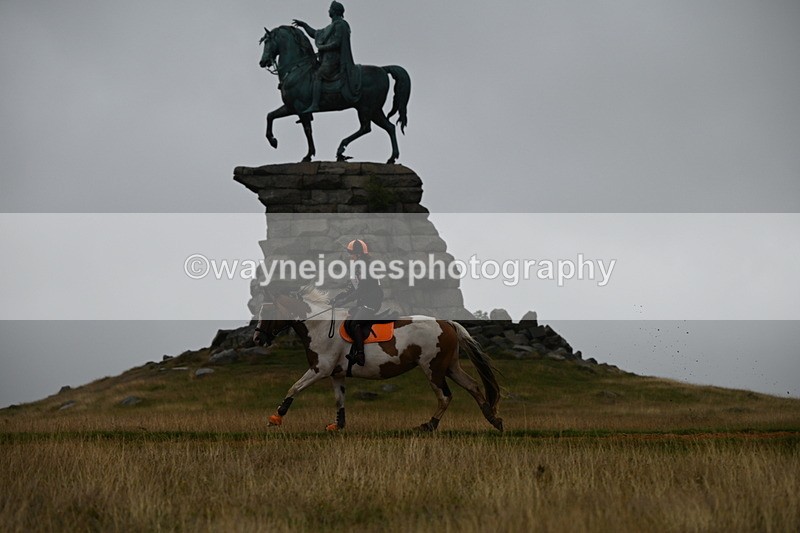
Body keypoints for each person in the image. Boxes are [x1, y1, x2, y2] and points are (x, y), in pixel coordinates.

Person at [292, 1, 361, 113]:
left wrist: (322, 47)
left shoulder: (341, 24)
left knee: (318, 75)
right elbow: (316, 34)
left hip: (335, 60)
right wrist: (304, 25)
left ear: (334, 11)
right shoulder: (330, 27)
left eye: (330, 8)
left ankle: (315, 105)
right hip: (326, 60)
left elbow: (337, 42)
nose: (328, 10)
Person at [332, 239, 383, 367]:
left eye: (352, 253)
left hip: (372, 301)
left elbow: (361, 290)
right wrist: (336, 298)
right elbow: (351, 288)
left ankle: (360, 355)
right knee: (348, 321)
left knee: (355, 323)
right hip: (363, 301)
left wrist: (344, 301)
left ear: (359, 254)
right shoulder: (357, 267)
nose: (350, 256)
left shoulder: (365, 267)